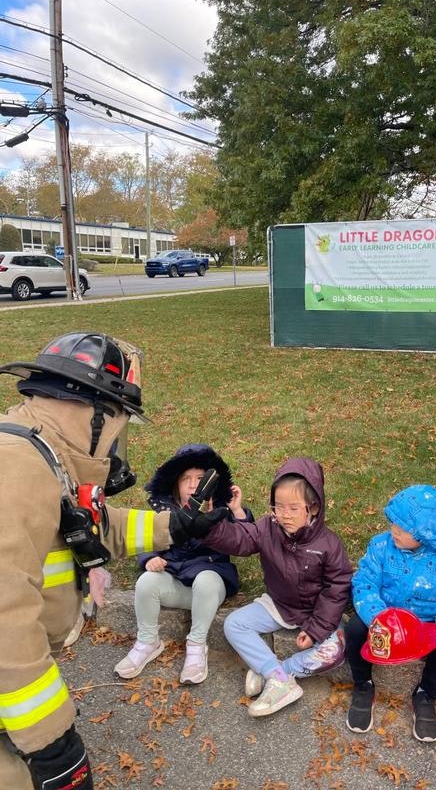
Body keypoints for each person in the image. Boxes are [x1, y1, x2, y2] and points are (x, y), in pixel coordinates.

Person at [0, 332, 225, 790]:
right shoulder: (17, 471)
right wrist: (50, 743)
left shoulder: (44, 457)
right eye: (120, 428)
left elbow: (90, 527)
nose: (115, 449)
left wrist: (176, 526)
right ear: (96, 415)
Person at [199, 457, 352, 717]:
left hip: (315, 612)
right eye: (278, 507)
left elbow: (337, 589)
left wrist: (316, 630)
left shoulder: (329, 544)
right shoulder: (268, 527)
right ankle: (277, 678)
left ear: (313, 508)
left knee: (335, 649)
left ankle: (278, 672)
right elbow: (241, 539)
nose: (285, 515)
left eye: (294, 508)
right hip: (279, 604)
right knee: (233, 624)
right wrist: (210, 525)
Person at [345, 485, 436, 741]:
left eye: (403, 527)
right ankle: (363, 684)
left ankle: (426, 694)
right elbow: (364, 582)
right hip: (383, 620)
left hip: (424, 626)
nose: (394, 529)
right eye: (393, 522)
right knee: (353, 629)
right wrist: (378, 616)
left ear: (425, 533)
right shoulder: (381, 547)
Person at [114, 444, 253, 684]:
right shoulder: (166, 515)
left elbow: (247, 540)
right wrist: (150, 558)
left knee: (206, 579)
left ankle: (197, 645)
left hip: (210, 587)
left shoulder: (221, 511)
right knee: (147, 582)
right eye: (186, 479)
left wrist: (237, 511)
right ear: (175, 487)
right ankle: (148, 641)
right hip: (178, 585)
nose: (192, 484)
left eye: (200, 479)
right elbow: (147, 540)